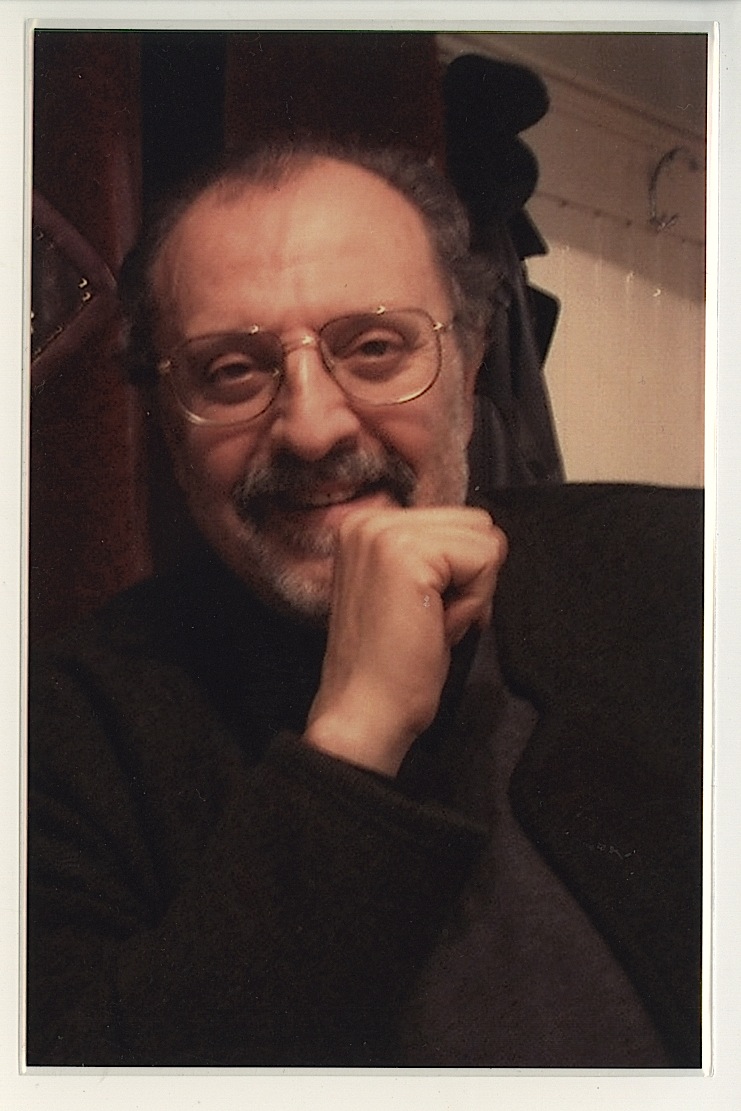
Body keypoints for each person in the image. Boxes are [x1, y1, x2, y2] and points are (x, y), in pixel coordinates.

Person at [27, 138, 703, 1069]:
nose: (312, 428)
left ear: (469, 360)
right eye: (231, 370)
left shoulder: (682, 573)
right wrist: (353, 739)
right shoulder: (62, 729)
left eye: (375, 348)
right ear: (167, 423)